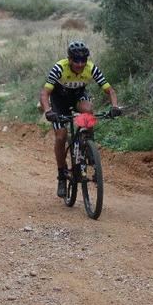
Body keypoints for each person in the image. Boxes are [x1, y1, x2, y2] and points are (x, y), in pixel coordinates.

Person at [39, 41, 122, 197]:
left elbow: (109, 90)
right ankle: (62, 176)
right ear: (69, 59)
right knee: (61, 136)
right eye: (76, 60)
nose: (80, 64)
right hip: (59, 101)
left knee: (88, 110)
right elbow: (45, 93)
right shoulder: (59, 68)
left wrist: (115, 107)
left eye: (83, 60)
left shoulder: (91, 68)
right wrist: (48, 111)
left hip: (78, 96)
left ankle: (87, 142)